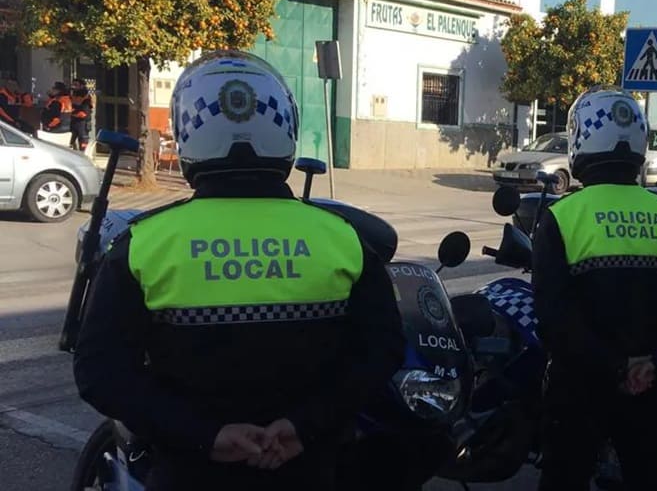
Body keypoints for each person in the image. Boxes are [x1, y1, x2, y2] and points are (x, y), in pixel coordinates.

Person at [72, 50, 407, 491]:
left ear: (186, 130)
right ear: (286, 126)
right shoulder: (343, 239)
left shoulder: (143, 246)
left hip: (189, 472)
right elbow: (382, 352)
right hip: (308, 468)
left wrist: (206, 436)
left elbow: (100, 373)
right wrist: (301, 427)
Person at [532, 85, 657, 491]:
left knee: (565, 476)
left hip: (580, 385)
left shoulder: (563, 216)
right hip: (647, 384)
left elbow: (553, 314)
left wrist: (611, 365)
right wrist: (655, 363)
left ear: (581, 139)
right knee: (648, 473)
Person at [69, 77, 93, 152]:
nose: (73, 87)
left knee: (83, 143)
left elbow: (84, 113)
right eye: (73, 85)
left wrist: (72, 113)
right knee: (69, 141)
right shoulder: (72, 96)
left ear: (82, 86)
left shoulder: (86, 97)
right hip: (73, 122)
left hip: (83, 123)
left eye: (76, 85)